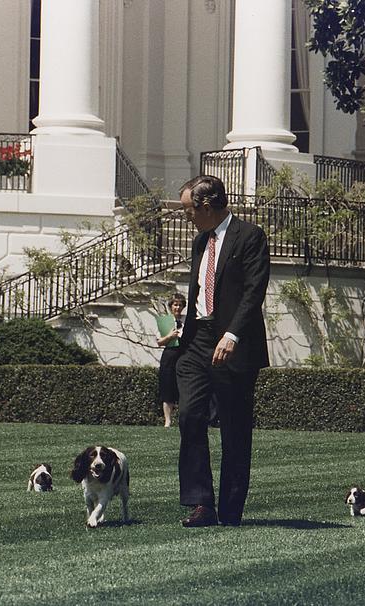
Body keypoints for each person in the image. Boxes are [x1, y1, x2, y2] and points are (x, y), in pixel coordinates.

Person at [176, 175, 270, 528]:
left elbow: (253, 291)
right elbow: (200, 288)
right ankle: (201, 503)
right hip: (197, 342)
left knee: (234, 428)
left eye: (189, 211)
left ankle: (230, 511)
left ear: (207, 205)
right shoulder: (201, 241)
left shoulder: (250, 237)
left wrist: (232, 335)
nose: (187, 217)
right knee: (190, 415)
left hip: (234, 345)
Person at [156, 292, 186, 428]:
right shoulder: (164, 321)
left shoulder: (187, 320)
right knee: (167, 388)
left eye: (180, 305)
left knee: (183, 388)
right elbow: (159, 342)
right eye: (175, 304)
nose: (177, 307)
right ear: (171, 306)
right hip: (169, 356)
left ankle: (183, 419)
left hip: (184, 355)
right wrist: (170, 336)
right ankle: (167, 421)